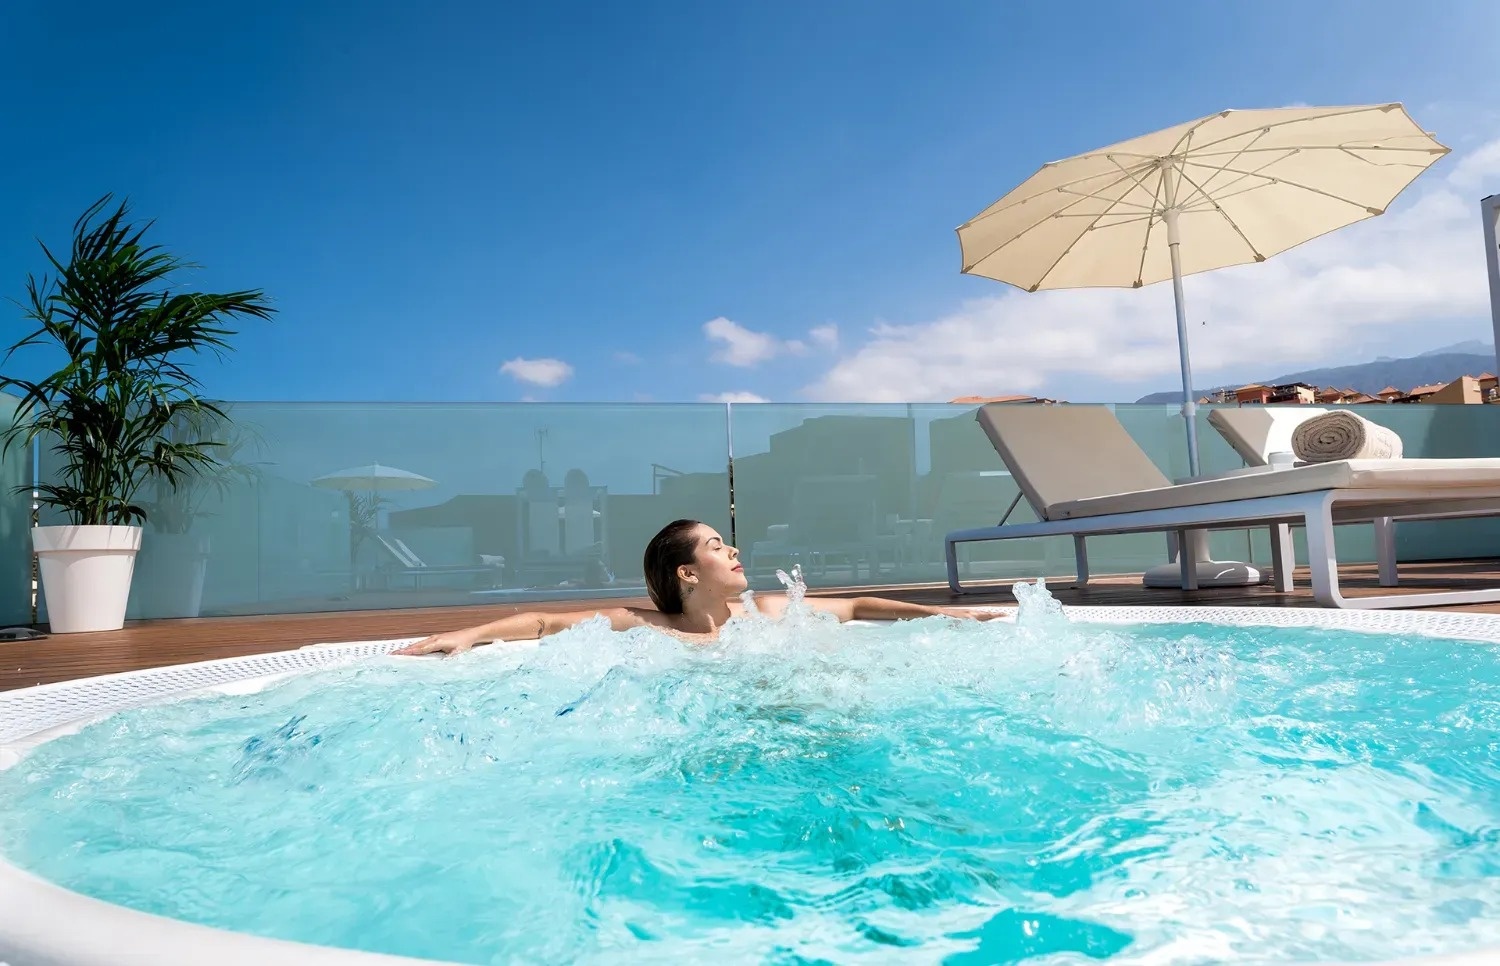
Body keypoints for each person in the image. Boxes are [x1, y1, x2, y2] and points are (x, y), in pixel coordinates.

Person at [393, 518, 999, 656]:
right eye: (715, 545)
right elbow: (547, 622)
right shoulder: (655, 628)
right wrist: (466, 636)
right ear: (687, 573)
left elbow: (862, 606)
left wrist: (949, 616)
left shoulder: (768, 611)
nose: (733, 550)